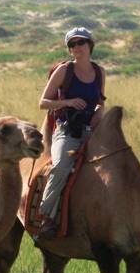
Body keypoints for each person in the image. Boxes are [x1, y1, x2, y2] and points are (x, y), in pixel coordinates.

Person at [35, 27, 106, 240]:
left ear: (89, 45)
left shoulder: (99, 72)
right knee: (60, 167)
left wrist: (96, 124)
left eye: (81, 43)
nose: (77, 48)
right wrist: (67, 102)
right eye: (72, 45)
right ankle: (46, 218)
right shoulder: (64, 71)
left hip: (91, 131)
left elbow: (100, 104)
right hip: (66, 131)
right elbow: (43, 103)